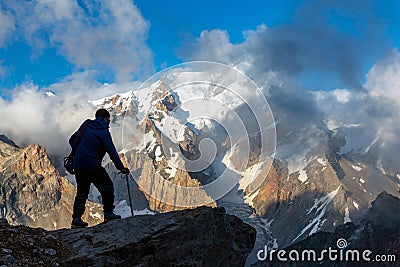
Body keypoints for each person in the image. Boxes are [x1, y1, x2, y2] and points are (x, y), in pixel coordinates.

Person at [71, 108, 130, 228]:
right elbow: (112, 152)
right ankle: (108, 213)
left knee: (82, 192)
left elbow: (72, 139)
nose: (109, 121)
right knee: (107, 187)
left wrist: (80, 152)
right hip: (92, 164)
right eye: (109, 119)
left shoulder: (86, 127)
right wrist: (121, 168)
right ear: (106, 118)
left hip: (78, 164)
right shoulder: (103, 131)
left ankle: (76, 220)